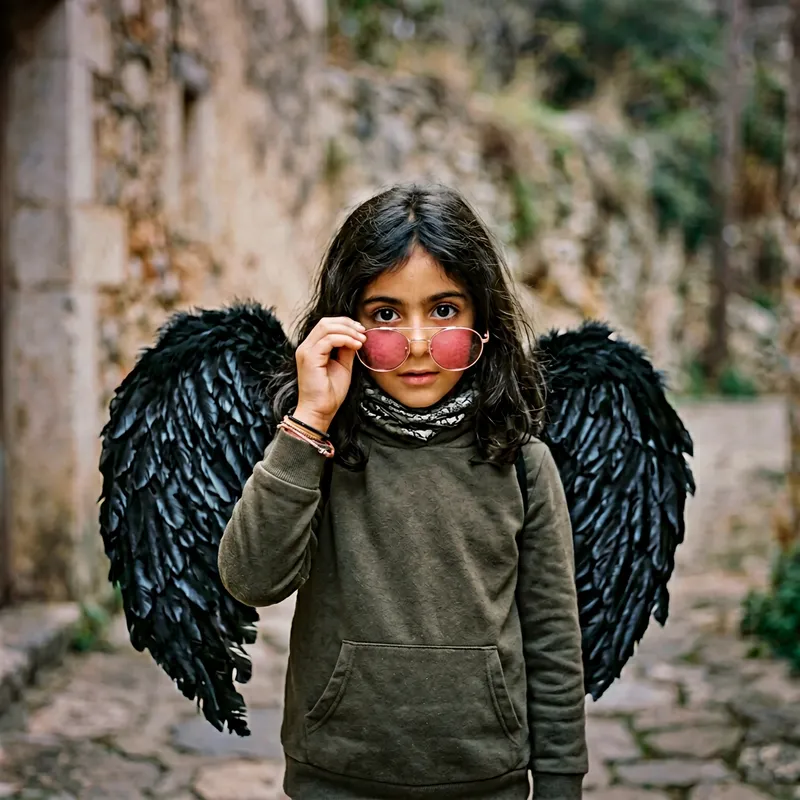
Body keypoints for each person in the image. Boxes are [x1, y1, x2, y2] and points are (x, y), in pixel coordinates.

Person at [218, 184, 588, 799]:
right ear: (346, 325)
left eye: (444, 310)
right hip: (336, 777)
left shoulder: (522, 465)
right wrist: (309, 422)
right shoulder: (319, 454)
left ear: (482, 320)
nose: (417, 342)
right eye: (385, 314)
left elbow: (553, 642)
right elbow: (251, 579)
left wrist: (559, 782)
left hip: (485, 780)